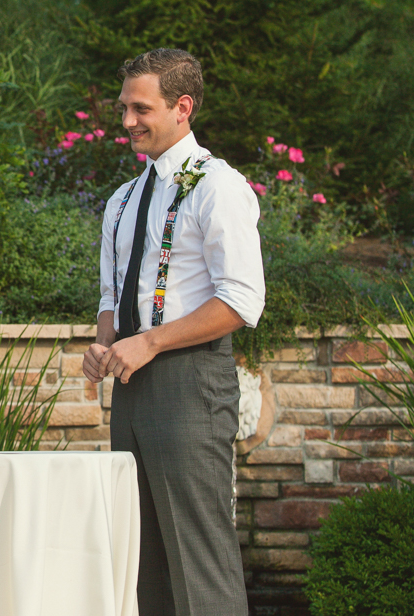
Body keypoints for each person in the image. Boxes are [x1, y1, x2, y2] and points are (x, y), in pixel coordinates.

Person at [82, 49, 265, 615]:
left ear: (182, 107)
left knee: (199, 559)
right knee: (144, 562)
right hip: (131, 387)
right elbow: (113, 295)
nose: (127, 120)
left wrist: (151, 341)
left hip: (192, 383)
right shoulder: (122, 199)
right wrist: (105, 343)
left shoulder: (218, 187)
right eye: (124, 108)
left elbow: (241, 300)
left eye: (141, 108)